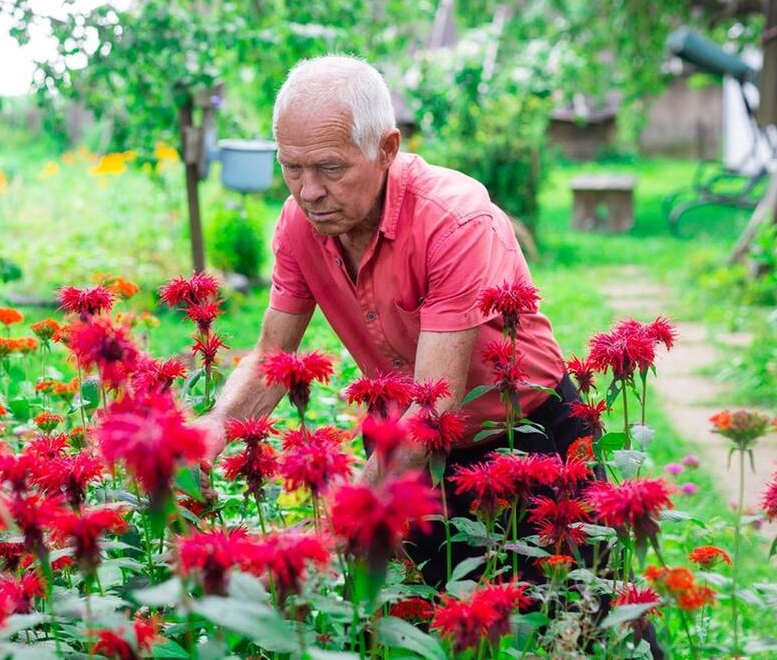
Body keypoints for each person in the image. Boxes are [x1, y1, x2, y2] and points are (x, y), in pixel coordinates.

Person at [196, 54, 580, 587]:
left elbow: (434, 405)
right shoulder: (299, 224)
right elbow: (271, 358)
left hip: (523, 436)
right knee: (424, 612)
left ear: (387, 149)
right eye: (292, 167)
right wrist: (215, 427)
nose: (308, 191)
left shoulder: (454, 220)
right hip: (404, 445)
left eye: (330, 168)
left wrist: (331, 525)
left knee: (580, 607)